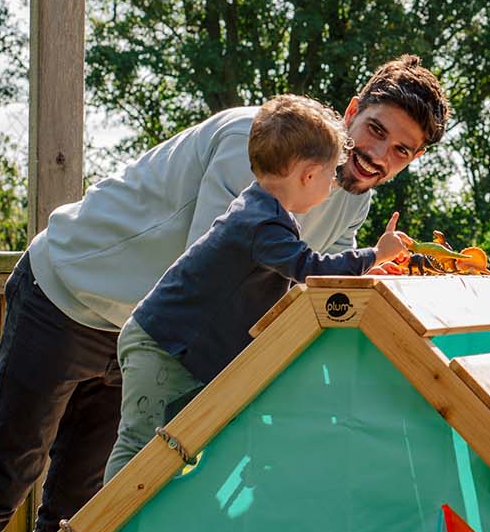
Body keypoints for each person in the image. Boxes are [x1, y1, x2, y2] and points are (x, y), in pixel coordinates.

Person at [0, 55, 449, 532]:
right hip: (69, 296)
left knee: (77, 517)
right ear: (352, 112)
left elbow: (311, 298)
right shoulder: (258, 140)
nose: (380, 154)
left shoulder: (347, 200)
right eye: (376, 129)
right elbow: (214, 271)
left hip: (150, 340)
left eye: (401, 151)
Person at [104, 95, 410, 481]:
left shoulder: (265, 211)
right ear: (308, 175)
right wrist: (375, 256)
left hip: (182, 351)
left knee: (173, 453)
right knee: (138, 446)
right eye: (331, 174)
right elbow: (310, 268)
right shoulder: (262, 223)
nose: (334, 184)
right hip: (163, 345)